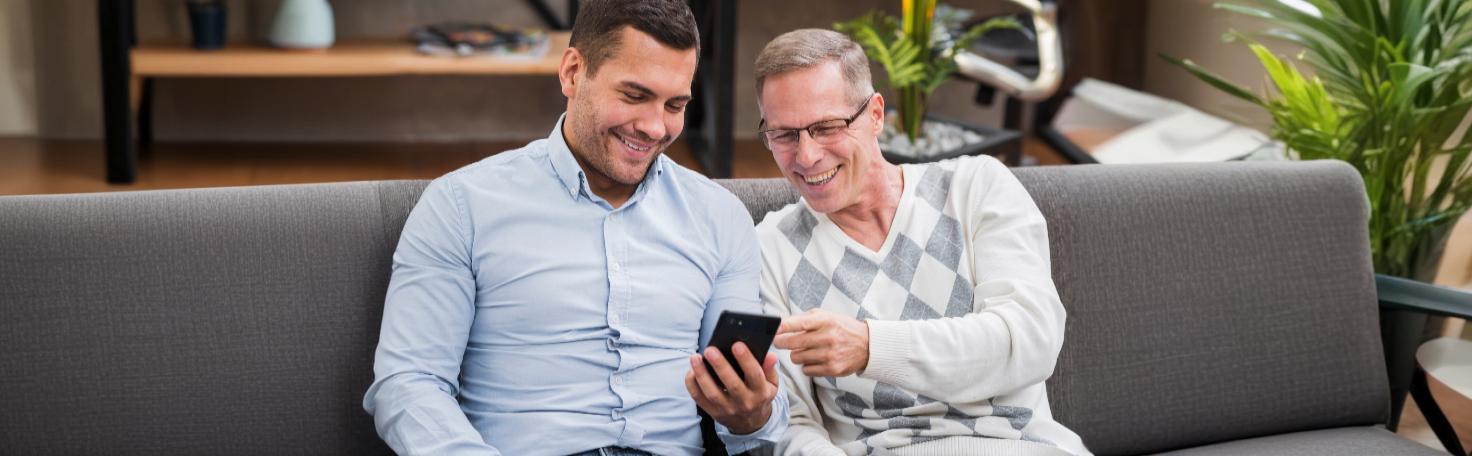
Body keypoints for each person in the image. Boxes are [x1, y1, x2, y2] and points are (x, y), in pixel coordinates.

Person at [362, 1, 787, 454]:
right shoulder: (461, 206)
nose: (654, 126)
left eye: (675, 104)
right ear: (571, 72)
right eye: (634, 95)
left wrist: (752, 414)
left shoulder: (720, 217)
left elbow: (752, 411)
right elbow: (408, 384)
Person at [751, 29, 1089, 456]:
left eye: (826, 127)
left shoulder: (975, 187)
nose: (807, 156)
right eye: (784, 135)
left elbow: (1029, 340)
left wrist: (871, 347)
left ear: (876, 115)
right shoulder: (769, 249)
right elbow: (791, 420)